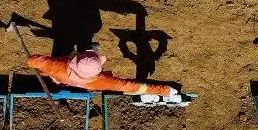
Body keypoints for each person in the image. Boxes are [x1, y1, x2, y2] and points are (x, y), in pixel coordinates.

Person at [26, 48, 177, 96]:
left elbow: (32, 61)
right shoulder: (103, 81)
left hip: (63, 78)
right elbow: (131, 87)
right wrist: (164, 90)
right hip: (88, 85)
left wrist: (45, 64)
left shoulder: (57, 66)